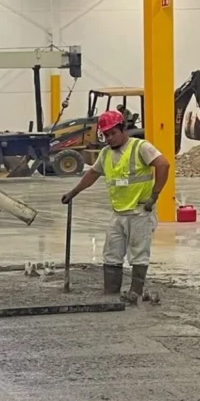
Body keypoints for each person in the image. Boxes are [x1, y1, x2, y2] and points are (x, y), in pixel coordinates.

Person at [61, 109, 171, 302]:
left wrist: (154, 196)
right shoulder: (105, 154)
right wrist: (74, 192)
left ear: (123, 130)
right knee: (111, 253)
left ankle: (135, 292)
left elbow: (163, 165)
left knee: (138, 253)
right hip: (118, 212)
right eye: (106, 135)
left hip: (139, 212)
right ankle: (111, 292)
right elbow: (93, 174)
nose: (110, 138)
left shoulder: (140, 147)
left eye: (113, 133)